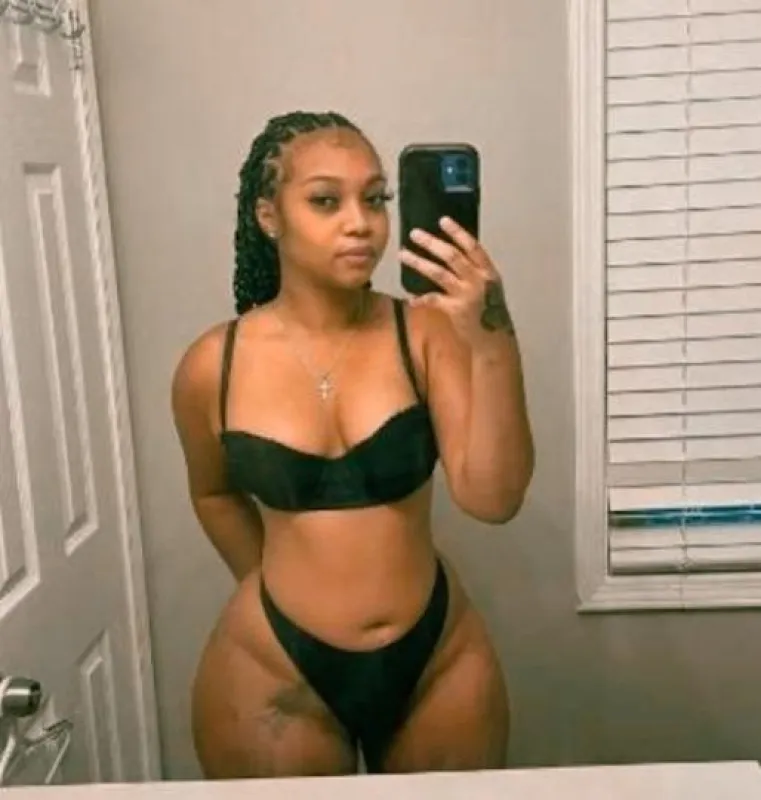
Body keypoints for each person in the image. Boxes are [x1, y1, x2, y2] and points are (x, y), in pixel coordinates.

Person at [171, 110, 534, 779]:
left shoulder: (424, 334)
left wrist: (491, 333)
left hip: (436, 661)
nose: (360, 222)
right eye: (325, 201)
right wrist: (275, 588)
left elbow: (494, 499)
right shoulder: (212, 365)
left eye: (374, 199)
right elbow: (212, 492)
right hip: (275, 665)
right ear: (268, 216)